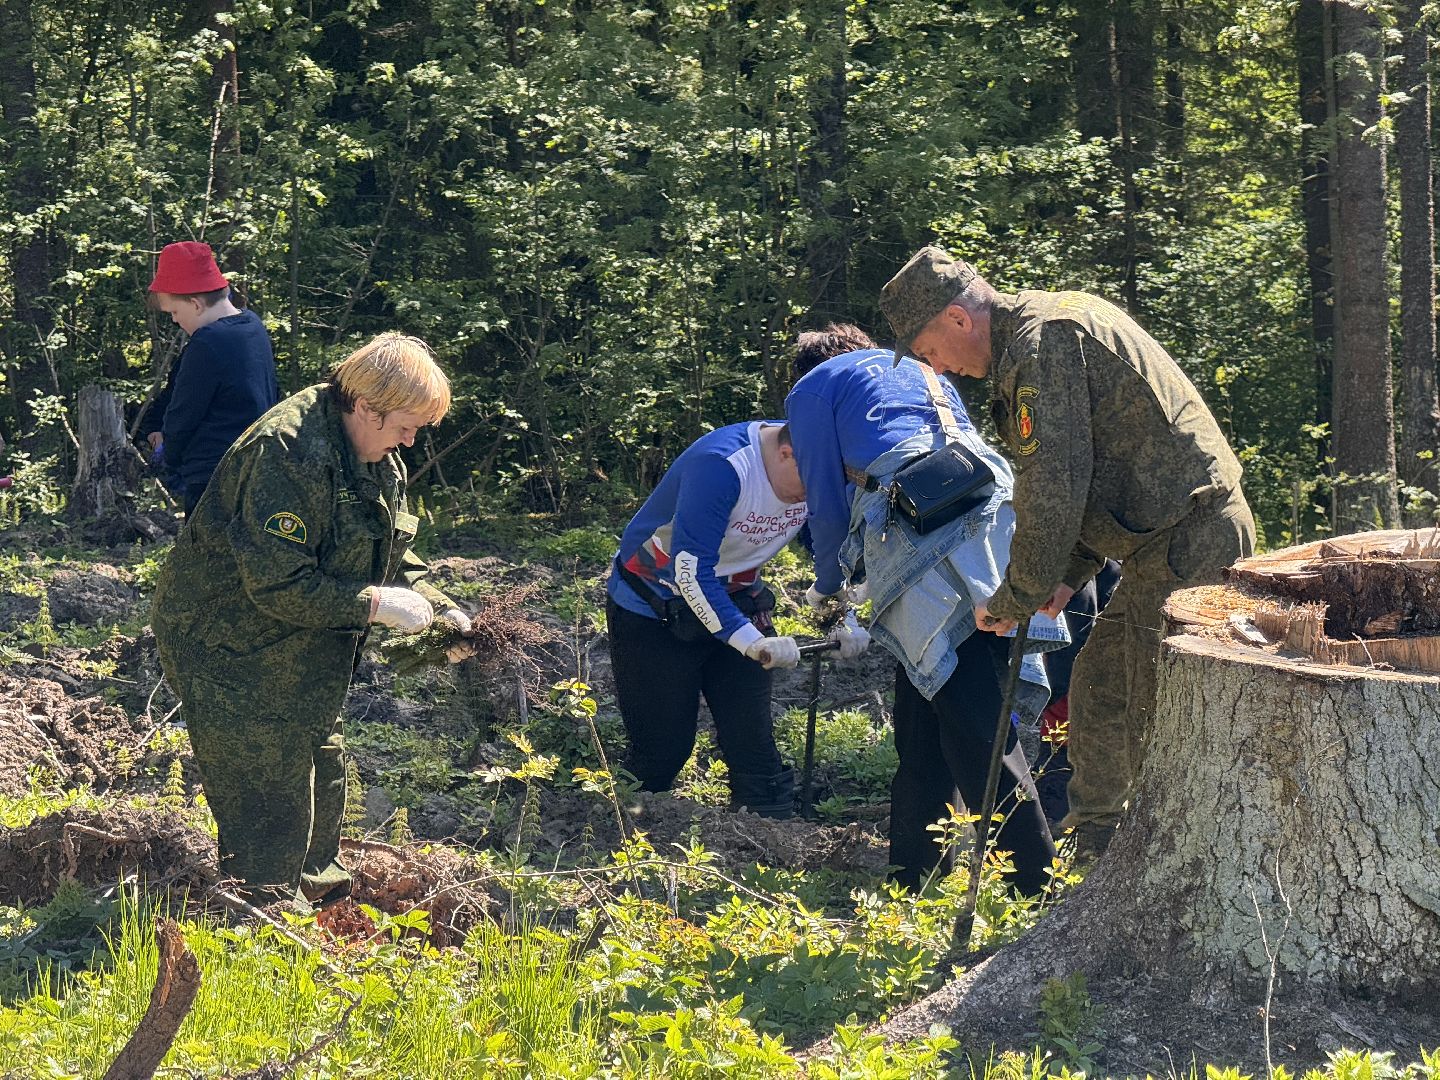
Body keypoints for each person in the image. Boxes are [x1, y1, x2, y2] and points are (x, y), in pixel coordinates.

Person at [879, 246, 1256, 859]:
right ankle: (1098, 850)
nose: (938, 369)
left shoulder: (1043, 344)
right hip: (1160, 546)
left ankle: (1174, 859)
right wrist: (1067, 573)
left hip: (1190, 540)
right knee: (1101, 690)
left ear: (957, 318)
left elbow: (1053, 488)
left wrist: (1018, 594)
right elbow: (1091, 474)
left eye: (928, 351)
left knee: (1157, 711)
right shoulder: (1042, 332)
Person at [150, 332, 473, 907]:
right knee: (268, 801)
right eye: (406, 425)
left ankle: (319, 904)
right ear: (367, 406)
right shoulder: (287, 453)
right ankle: (261, 922)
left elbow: (389, 548)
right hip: (230, 646)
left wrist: (439, 608)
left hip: (301, 643)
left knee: (323, 773)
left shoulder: (375, 454)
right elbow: (278, 584)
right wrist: (374, 606)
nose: (411, 440)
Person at [786, 328, 1067, 895]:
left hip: (925, 540)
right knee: (924, 721)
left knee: (975, 722)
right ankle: (913, 878)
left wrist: (830, 586)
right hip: (998, 523)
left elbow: (825, 499)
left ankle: (1037, 888)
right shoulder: (921, 370)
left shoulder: (814, 388)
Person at [607, 420, 870, 818]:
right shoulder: (722, 467)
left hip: (735, 593)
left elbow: (825, 543)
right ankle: (623, 824)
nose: (816, 496)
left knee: (753, 746)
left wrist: (838, 614)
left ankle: (771, 831)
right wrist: (751, 641)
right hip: (654, 602)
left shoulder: (819, 468)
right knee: (662, 750)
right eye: (813, 485)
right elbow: (691, 573)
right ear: (786, 454)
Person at [139, 241, 280, 515]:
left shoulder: (208, 342)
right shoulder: (253, 326)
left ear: (195, 304)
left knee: (204, 544)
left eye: (174, 312)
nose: (175, 321)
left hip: (212, 477)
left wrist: (167, 453)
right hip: (255, 467)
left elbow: (184, 413)